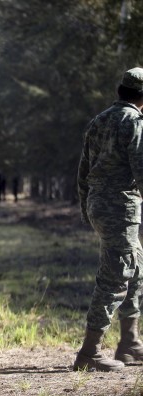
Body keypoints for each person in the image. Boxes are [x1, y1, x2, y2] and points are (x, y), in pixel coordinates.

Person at [74, 67, 143, 372]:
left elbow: (83, 167)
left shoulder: (99, 120)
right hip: (120, 206)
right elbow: (141, 168)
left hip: (99, 203)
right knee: (117, 275)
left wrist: (86, 205)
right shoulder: (134, 121)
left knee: (136, 268)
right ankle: (89, 352)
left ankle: (130, 345)